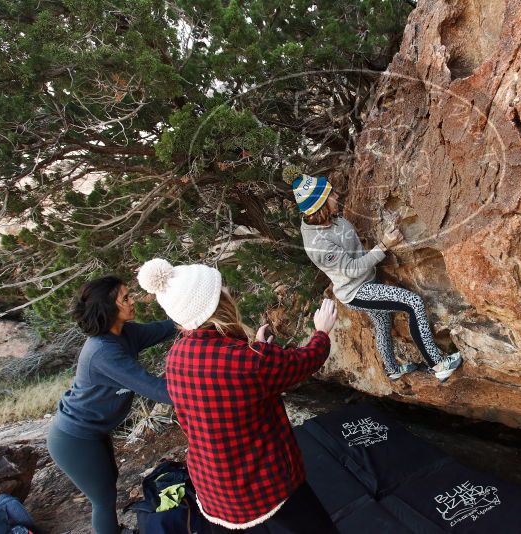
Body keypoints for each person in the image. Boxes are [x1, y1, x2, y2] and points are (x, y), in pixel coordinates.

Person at [137, 258, 340, 533]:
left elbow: (227, 385)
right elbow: (306, 361)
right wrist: (321, 331)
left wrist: (256, 349)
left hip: (212, 485)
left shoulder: (176, 357)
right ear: (217, 305)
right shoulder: (250, 362)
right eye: (223, 289)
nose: (229, 291)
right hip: (265, 481)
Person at [284, 167, 462, 382]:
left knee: (383, 322)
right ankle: (438, 364)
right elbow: (353, 270)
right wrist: (384, 245)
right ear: (320, 204)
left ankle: (392, 369)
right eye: (331, 194)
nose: (337, 196)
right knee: (412, 302)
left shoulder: (327, 218)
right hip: (356, 290)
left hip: (365, 281)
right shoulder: (317, 244)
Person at [47, 275, 176, 534]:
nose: (132, 300)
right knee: (103, 500)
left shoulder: (126, 333)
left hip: (93, 431)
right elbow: (154, 388)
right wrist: (207, 393)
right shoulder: (103, 351)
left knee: (108, 485)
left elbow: (168, 327)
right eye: (126, 298)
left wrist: (199, 313)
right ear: (109, 308)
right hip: (74, 437)